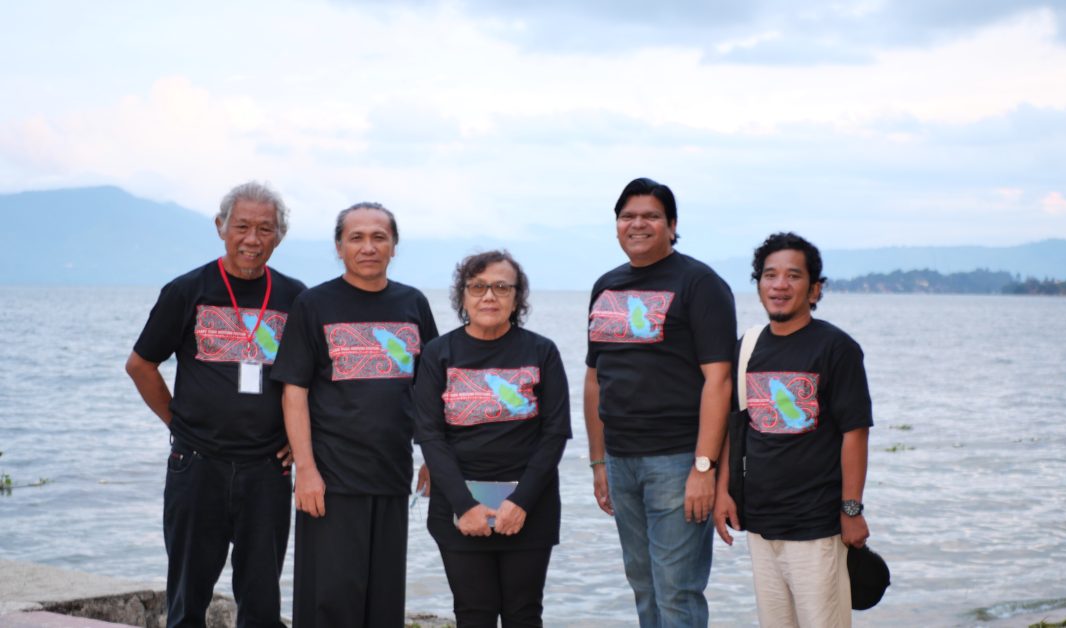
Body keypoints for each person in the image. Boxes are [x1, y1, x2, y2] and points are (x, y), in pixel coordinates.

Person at [125, 181, 306, 628]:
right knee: (188, 594)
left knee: (262, 599)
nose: (252, 238)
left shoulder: (297, 298)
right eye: (242, 226)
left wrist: (297, 441)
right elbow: (141, 365)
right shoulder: (187, 290)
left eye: (265, 229)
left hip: (267, 469)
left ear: (279, 236)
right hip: (197, 464)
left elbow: (311, 381)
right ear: (220, 227)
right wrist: (179, 423)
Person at [269, 202, 438, 627]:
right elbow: (294, 391)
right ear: (339, 246)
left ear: (394, 246)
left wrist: (433, 458)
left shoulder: (412, 303)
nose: (368, 247)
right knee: (329, 602)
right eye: (356, 238)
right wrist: (305, 470)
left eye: (379, 237)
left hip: (391, 475)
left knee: (382, 605)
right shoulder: (315, 304)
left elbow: (430, 389)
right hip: (331, 480)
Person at [584, 177, 736, 627]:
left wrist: (704, 469)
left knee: (677, 591)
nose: (638, 224)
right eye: (627, 216)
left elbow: (720, 381)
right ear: (616, 226)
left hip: (677, 460)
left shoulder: (700, 283)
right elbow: (595, 379)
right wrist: (598, 463)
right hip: (620, 459)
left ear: (671, 225)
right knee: (644, 585)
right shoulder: (606, 287)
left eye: (650, 216)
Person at [712, 232, 873, 628]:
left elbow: (856, 433)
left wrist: (851, 510)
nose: (779, 285)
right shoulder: (747, 346)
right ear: (759, 284)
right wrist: (722, 493)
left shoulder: (836, 348)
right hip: (762, 524)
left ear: (814, 289)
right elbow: (737, 430)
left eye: (793, 276)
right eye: (769, 275)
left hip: (817, 527)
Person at [414, 250, 571, 628]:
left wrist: (521, 502)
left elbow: (554, 434)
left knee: (524, 613)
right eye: (478, 286)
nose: (489, 296)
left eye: (501, 287)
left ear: (517, 298)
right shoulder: (439, 353)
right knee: (473, 613)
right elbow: (431, 436)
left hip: (529, 505)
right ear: (462, 296)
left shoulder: (541, 351)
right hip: (459, 505)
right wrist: (464, 505)